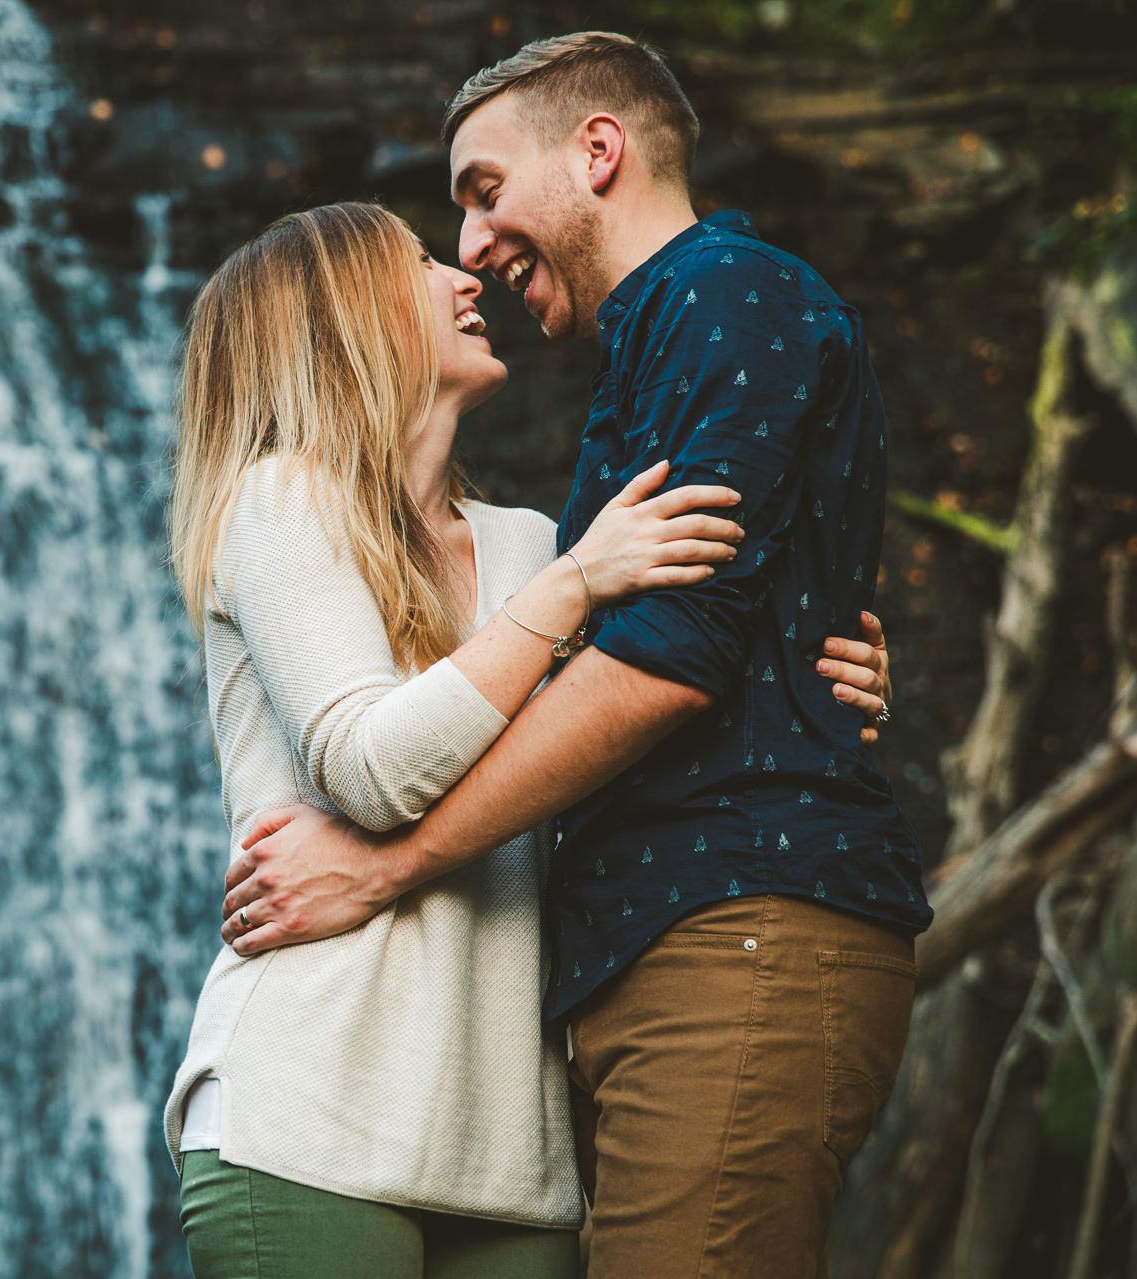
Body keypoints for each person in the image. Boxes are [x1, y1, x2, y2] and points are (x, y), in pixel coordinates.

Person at [217, 31, 930, 1279]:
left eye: (483, 195)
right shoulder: (597, 434)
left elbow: (666, 655)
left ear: (598, 152)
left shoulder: (722, 299)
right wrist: (796, 658)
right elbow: (604, 663)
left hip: (728, 927)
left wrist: (385, 870)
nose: (475, 254)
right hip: (585, 996)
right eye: (447, 236)